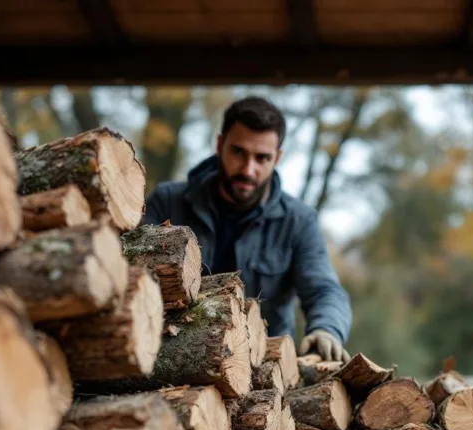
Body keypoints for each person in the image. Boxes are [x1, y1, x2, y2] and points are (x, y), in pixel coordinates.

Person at [141, 96, 352, 363]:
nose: (248, 170)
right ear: (219, 145)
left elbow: (324, 289)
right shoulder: (167, 202)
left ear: (277, 158)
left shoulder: (299, 221)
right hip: (169, 361)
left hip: (263, 376)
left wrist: (326, 328)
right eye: (238, 152)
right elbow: (130, 275)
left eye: (262, 158)